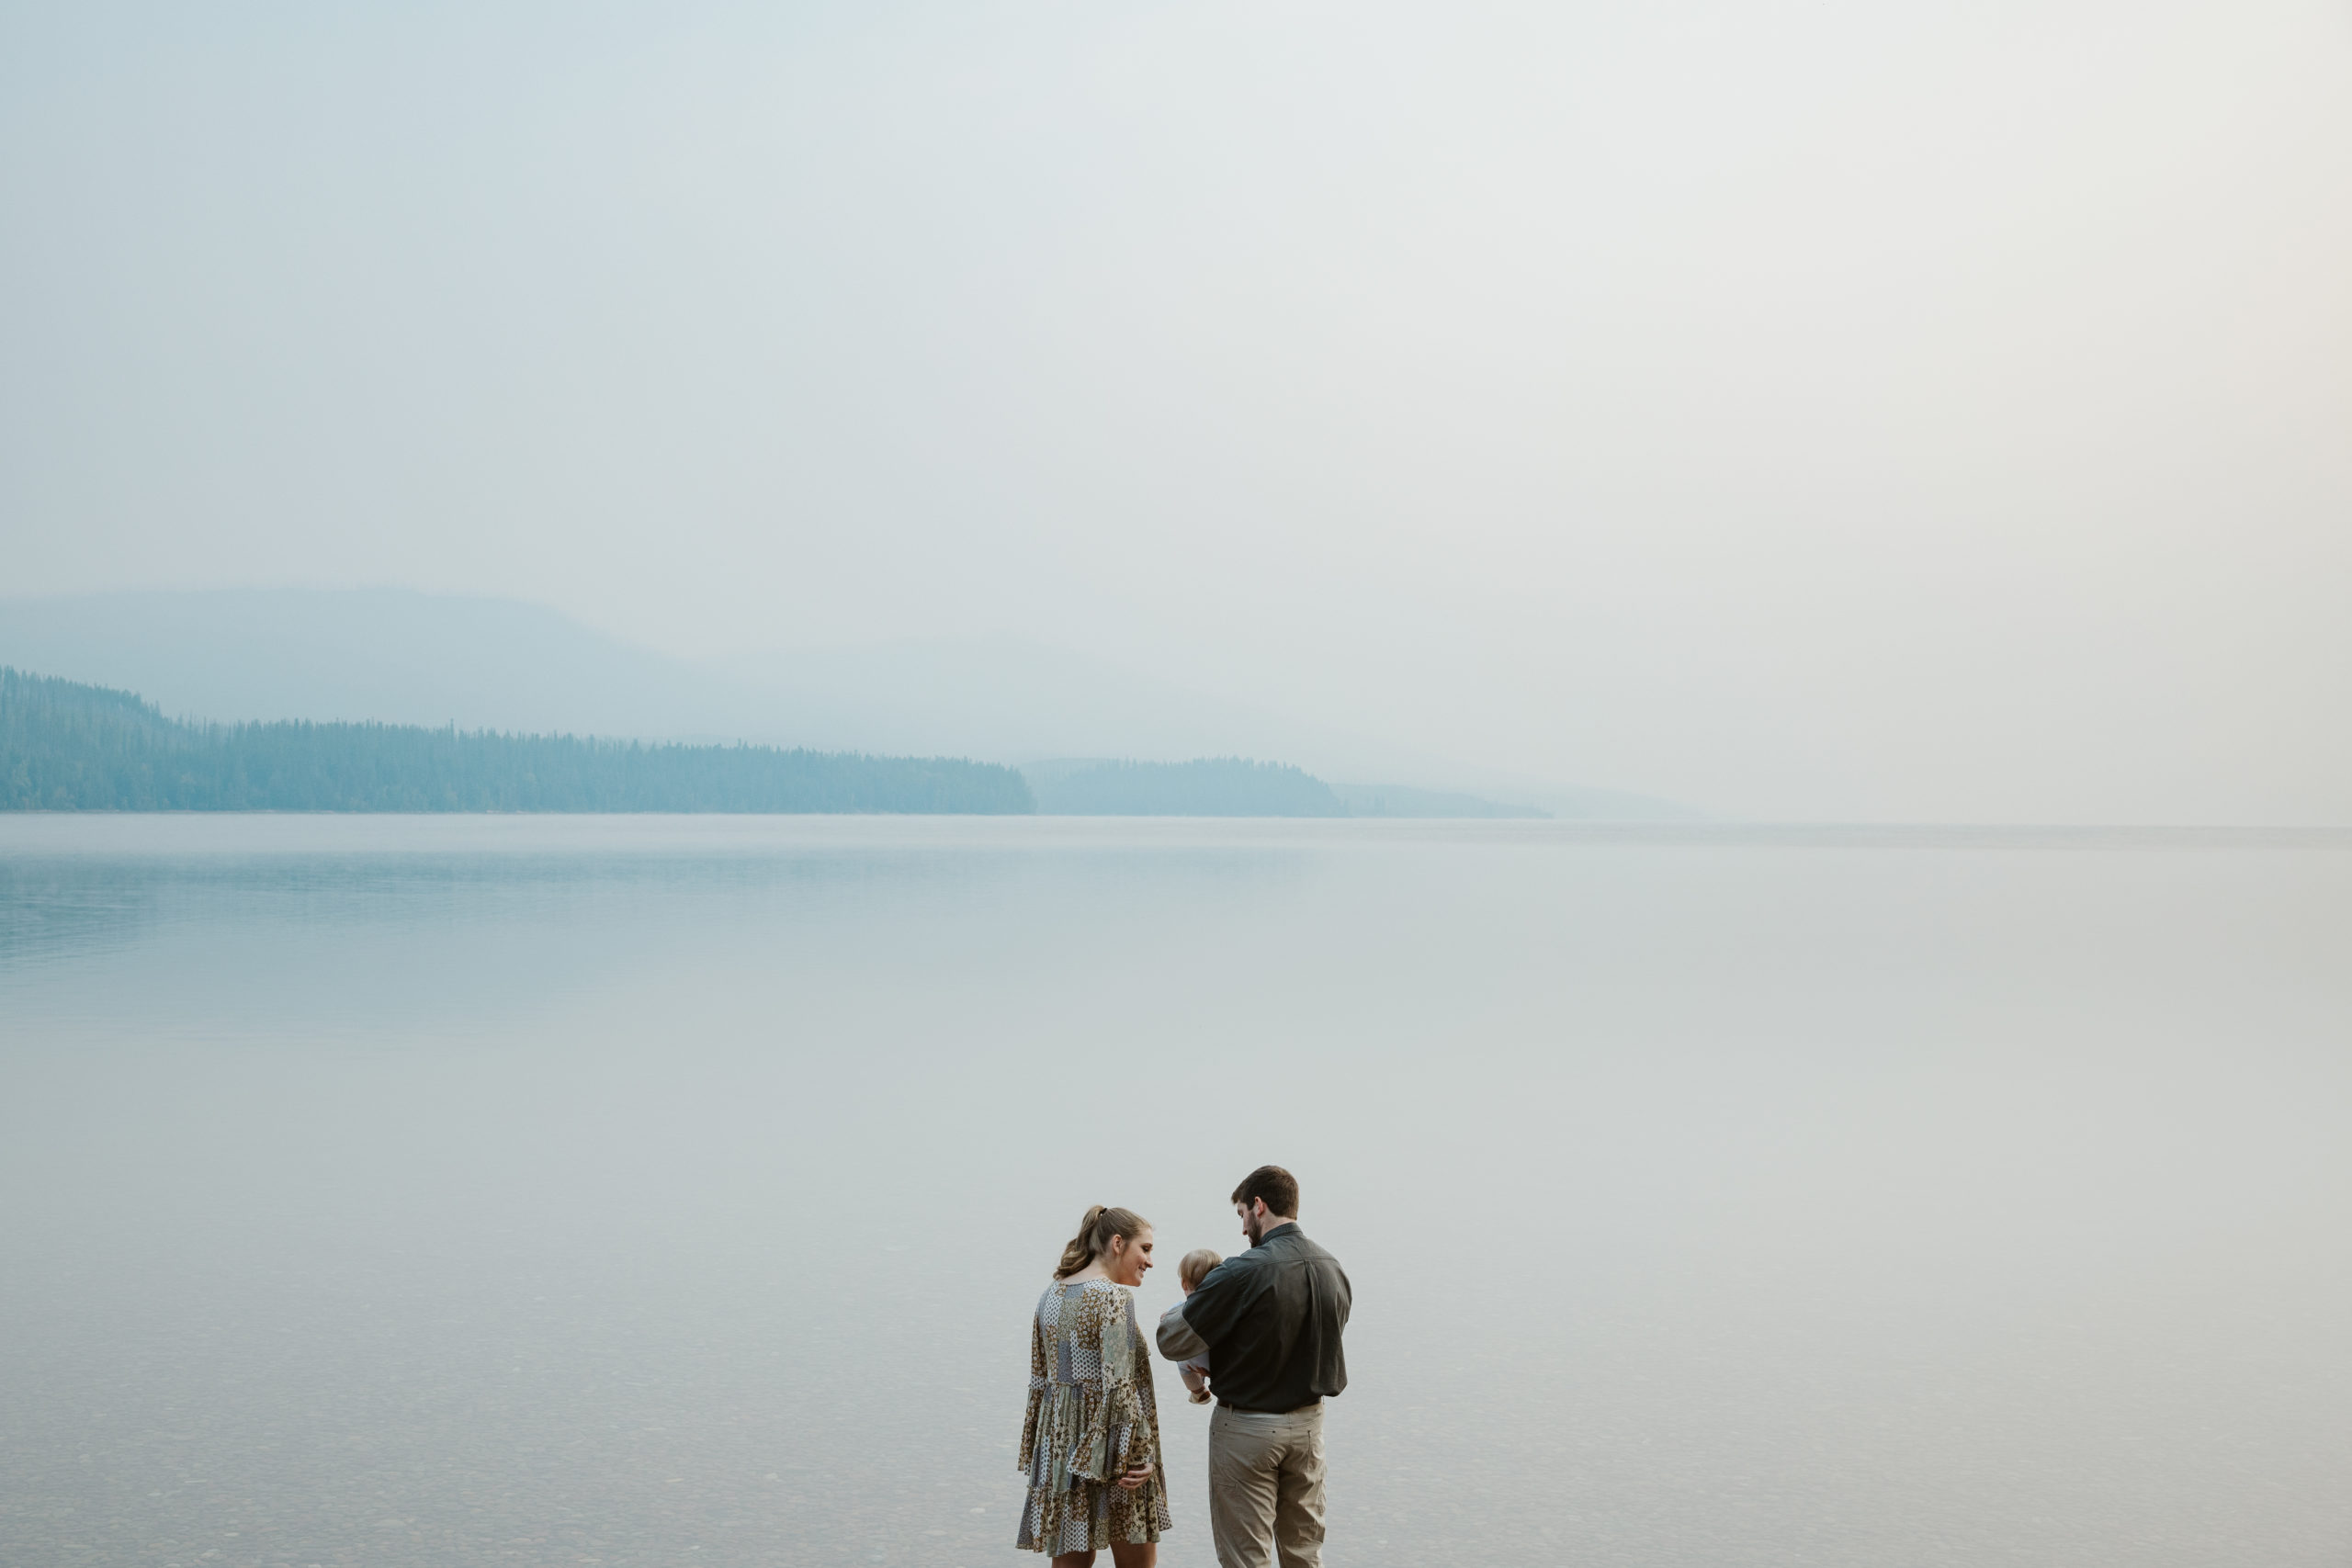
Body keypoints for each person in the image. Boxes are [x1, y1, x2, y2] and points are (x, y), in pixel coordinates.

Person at [1155, 1165, 1351, 1568]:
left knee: (1247, 1559)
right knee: (1304, 1555)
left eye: (1242, 1213)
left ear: (1259, 1206)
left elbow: (1171, 1340)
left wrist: (1203, 1309)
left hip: (1247, 1431)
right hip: (1310, 1429)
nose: (1243, 1228)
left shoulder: (1242, 1271)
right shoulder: (1333, 1268)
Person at [1017, 1204, 1173, 1566]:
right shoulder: (1114, 1298)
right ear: (1118, 1243)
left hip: (1063, 1453)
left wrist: (1040, 1456)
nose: (1150, 1261)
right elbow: (1119, 1388)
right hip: (1116, 1455)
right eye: (1145, 1249)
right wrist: (1141, 1456)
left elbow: (1040, 1382)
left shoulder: (1050, 1296)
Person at [1160, 1249, 1223, 1404]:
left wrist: (1164, 1318)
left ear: (1184, 1284)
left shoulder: (1183, 1307)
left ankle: (1199, 1392)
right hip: (1220, 1361)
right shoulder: (1223, 1307)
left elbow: (1168, 1320)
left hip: (1196, 1360)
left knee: (1182, 1360)